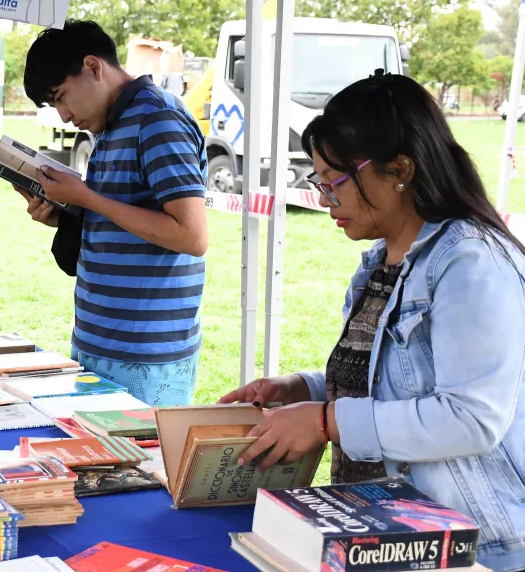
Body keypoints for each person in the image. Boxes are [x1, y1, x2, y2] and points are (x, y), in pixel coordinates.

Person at [218, 71, 525, 572]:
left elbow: (471, 417)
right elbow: (392, 383)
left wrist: (325, 421)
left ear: (399, 169)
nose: (323, 200)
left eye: (334, 183)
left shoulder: (472, 262)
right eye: (318, 183)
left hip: (469, 547)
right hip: (382, 534)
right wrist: (305, 389)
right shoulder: (381, 263)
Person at [20, 20, 209, 406]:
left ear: (93, 67)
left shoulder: (158, 120)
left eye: (61, 97)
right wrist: (67, 215)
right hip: (99, 340)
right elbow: (126, 215)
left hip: (146, 353)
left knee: (141, 466)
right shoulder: (112, 124)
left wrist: (89, 199)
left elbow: (192, 236)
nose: (64, 116)